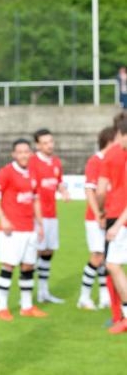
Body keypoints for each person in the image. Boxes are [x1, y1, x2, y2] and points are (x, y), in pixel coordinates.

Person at [0, 138, 47, 321]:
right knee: (8, 266)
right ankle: (2, 307)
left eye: (26, 151)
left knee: (29, 266)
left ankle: (27, 306)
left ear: (30, 153)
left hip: (29, 228)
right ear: (14, 154)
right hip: (11, 230)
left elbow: (35, 199)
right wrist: (3, 219)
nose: (23, 155)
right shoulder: (6, 172)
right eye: (20, 152)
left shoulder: (33, 172)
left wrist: (40, 224)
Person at [28, 128, 70, 304]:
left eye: (51, 142)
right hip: (36, 215)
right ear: (38, 145)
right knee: (34, 253)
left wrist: (64, 191)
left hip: (52, 214)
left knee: (48, 252)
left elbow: (58, 181)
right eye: (45, 143)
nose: (49, 145)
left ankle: (43, 292)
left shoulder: (56, 162)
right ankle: (28, 295)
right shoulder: (32, 162)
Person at [76, 126, 115, 310]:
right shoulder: (95, 161)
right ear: (110, 140)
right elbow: (89, 190)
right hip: (95, 218)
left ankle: (104, 295)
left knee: (106, 257)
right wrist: (98, 213)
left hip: (110, 216)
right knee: (97, 256)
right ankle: (84, 296)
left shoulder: (114, 160)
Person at [96, 113, 127, 334]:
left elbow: (100, 189)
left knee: (113, 265)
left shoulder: (112, 154)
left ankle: (123, 316)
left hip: (118, 215)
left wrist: (102, 210)